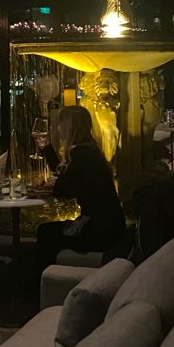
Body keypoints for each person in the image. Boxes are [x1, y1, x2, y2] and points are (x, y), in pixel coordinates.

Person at [35, 105, 126, 270]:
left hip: (99, 230)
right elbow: (66, 178)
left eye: (61, 123)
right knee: (47, 232)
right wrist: (47, 148)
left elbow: (62, 189)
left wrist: (47, 187)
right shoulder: (88, 150)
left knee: (46, 233)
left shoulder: (83, 154)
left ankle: (44, 277)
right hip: (110, 226)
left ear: (70, 127)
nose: (57, 128)